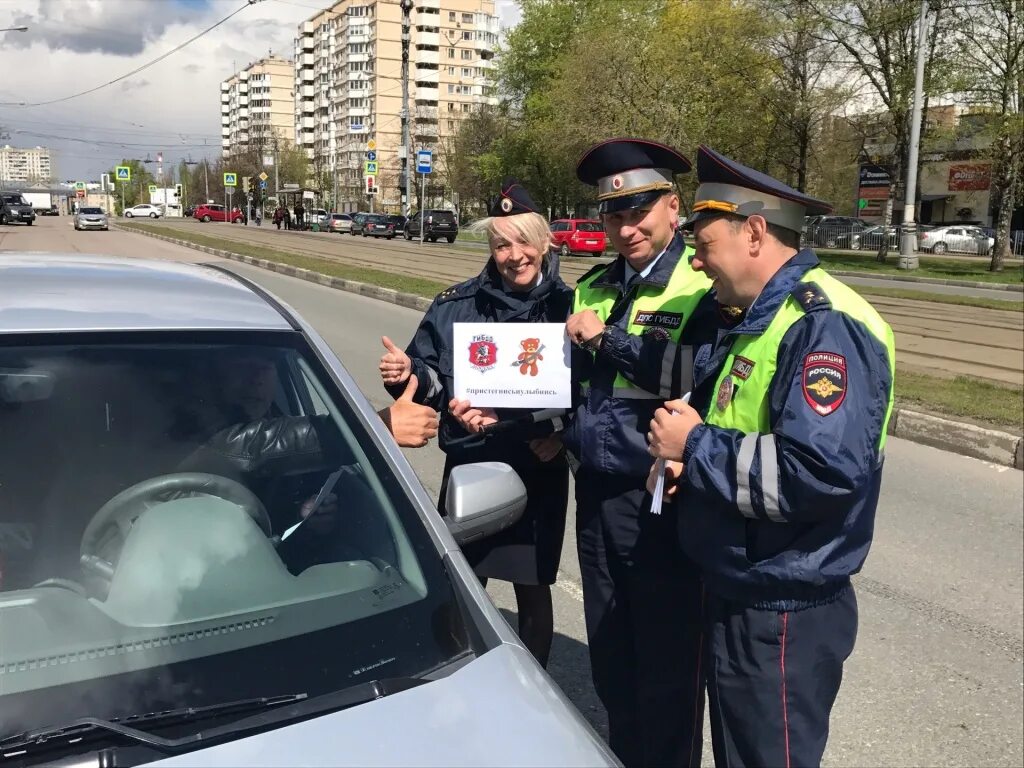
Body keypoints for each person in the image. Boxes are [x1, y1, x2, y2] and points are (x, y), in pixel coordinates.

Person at [646, 145, 895, 768]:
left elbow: (819, 473)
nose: (696, 263)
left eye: (703, 245)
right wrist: (690, 469)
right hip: (744, 587)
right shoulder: (763, 317)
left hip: (782, 608)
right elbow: (748, 433)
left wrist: (694, 447)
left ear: (753, 231)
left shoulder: (822, 325)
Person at [562, 138, 719, 768]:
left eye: (640, 212)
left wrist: (610, 341)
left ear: (673, 207)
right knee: (611, 659)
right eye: (614, 215)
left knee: (667, 667)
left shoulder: (700, 283)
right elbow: (568, 381)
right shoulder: (595, 284)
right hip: (595, 495)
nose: (627, 228)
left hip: (660, 503)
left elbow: (695, 370)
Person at [379, 179, 572, 668]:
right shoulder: (456, 305)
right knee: (463, 583)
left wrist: (564, 436)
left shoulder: (571, 308)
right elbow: (432, 376)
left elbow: (590, 392)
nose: (514, 255)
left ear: (545, 241)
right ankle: (461, 676)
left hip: (536, 465)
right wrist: (410, 374)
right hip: (472, 460)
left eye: (524, 240)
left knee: (532, 589)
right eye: (501, 244)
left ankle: (534, 690)